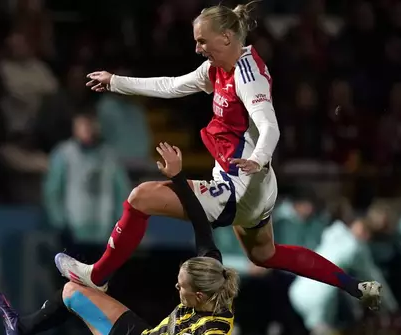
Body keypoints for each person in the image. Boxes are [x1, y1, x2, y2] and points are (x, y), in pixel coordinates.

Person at [60, 2, 382, 307]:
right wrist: (116, 81)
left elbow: (270, 127)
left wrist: (258, 158)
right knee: (265, 255)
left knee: (141, 196)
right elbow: (171, 86)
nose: (198, 48)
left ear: (225, 37)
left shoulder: (247, 76)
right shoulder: (218, 70)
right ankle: (354, 286)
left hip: (239, 186)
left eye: (202, 41)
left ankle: (98, 275)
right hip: (255, 187)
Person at [0, 144, 239, 335]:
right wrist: (177, 176)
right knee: (72, 290)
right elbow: (200, 222)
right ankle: (20, 329)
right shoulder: (210, 272)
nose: (177, 287)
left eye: (182, 286)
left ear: (199, 295)